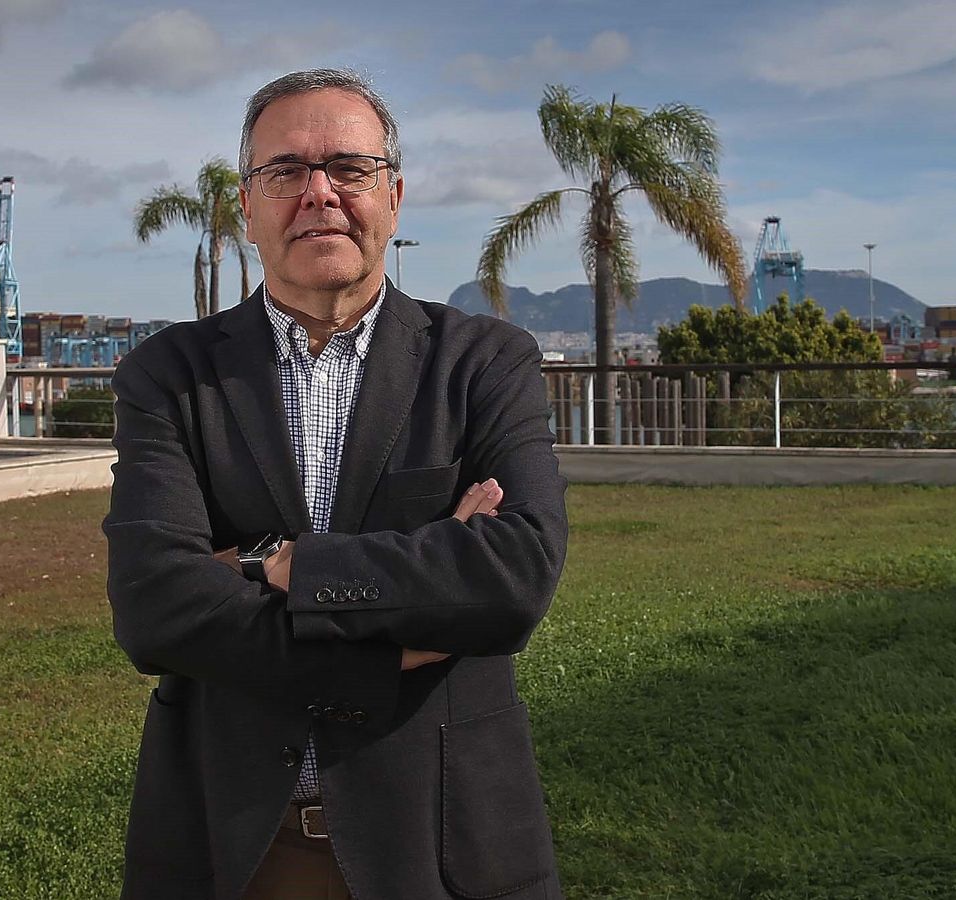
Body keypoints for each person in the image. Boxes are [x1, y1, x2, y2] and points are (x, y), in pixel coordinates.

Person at [103, 68, 568, 900]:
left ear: (393, 194)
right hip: (233, 839)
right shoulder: (168, 377)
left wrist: (278, 564)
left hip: (442, 837)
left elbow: (516, 575)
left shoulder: (485, 364)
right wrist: (400, 635)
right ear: (246, 207)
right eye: (285, 171)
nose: (320, 193)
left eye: (348, 169)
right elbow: (155, 606)